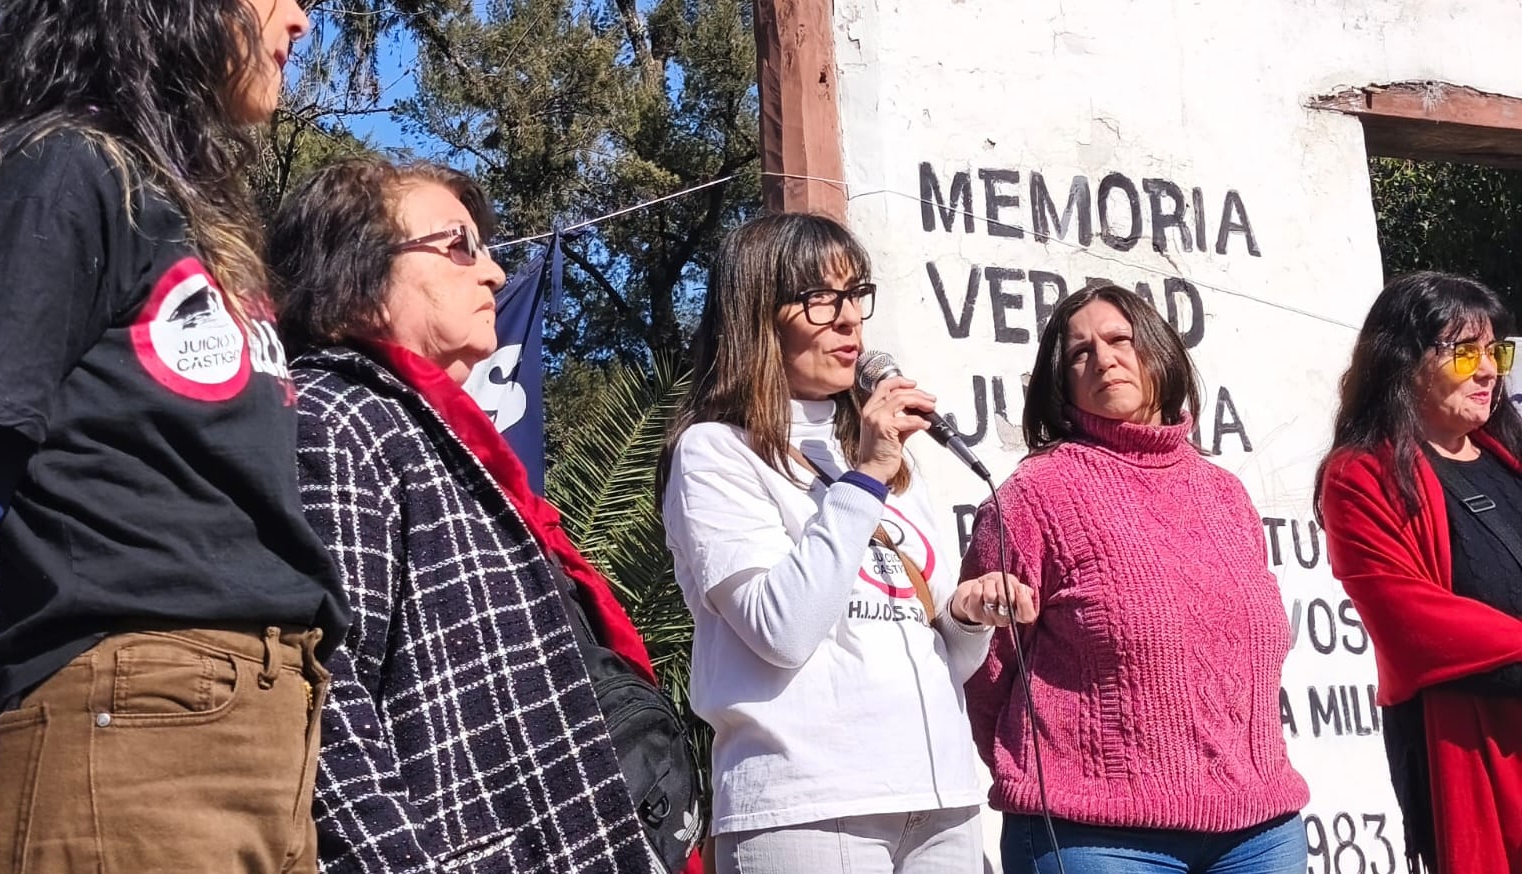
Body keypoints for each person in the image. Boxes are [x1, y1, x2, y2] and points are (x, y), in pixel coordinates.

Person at [0, 0, 350, 872]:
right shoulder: (59, 171)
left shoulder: (186, 209)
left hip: (263, 734)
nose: (298, 18)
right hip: (127, 731)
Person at [269, 154, 698, 874]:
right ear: (356, 270)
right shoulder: (335, 418)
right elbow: (324, 713)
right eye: (459, 245)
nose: (495, 273)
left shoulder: (441, 441)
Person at [658, 212, 1027, 874]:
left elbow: (943, 651)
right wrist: (866, 477)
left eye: (856, 294)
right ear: (758, 314)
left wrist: (970, 617)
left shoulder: (885, 459)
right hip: (808, 804)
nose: (851, 319)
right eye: (821, 300)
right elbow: (782, 628)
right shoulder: (717, 452)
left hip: (940, 795)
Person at [964, 284, 1308, 874]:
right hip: (1096, 837)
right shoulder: (1033, 496)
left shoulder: (1226, 494)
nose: (1103, 359)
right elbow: (984, 670)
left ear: (1158, 353)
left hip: (1260, 832)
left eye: (1120, 339)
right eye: (1079, 352)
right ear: (1061, 381)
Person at [1317, 271, 1522, 873]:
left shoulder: (1511, 461)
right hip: (1472, 743)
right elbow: (1414, 622)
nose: (1488, 370)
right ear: (1404, 360)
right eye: (1466, 352)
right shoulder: (1362, 476)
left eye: (1496, 351)